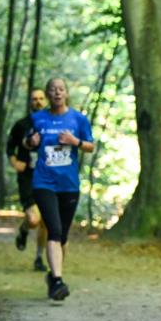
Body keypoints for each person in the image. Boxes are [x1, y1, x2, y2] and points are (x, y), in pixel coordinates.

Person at [25, 78, 94, 301]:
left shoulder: (78, 119)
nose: (57, 93)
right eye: (53, 90)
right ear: (47, 94)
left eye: (61, 89)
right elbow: (25, 142)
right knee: (53, 230)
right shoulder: (37, 118)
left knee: (62, 236)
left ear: (66, 93)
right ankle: (57, 281)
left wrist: (75, 141)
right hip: (44, 183)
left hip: (69, 185)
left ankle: (53, 274)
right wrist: (31, 142)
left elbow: (90, 146)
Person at [6, 88, 48, 271]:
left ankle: (39, 258)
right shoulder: (21, 125)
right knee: (33, 219)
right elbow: (10, 147)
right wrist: (15, 162)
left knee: (45, 221)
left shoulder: (53, 124)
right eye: (34, 99)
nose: (38, 101)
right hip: (27, 178)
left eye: (41, 98)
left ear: (46, 101)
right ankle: (24, 230)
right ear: (30, 102)